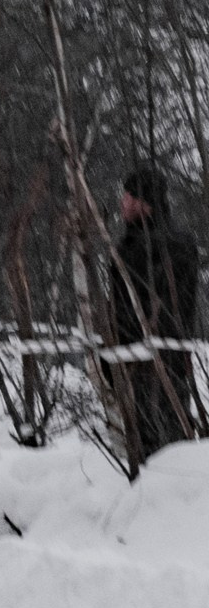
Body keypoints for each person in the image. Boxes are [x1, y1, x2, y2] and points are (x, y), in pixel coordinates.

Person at [109, 168, 202, 463]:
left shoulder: (140, 247)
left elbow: (129, 308)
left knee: (154, 442)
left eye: (128, 197)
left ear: (143, 201)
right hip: (172, 355)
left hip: (145, 357)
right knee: (173, 436)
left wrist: (119, 350)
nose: (122, 204)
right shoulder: (181, 241)